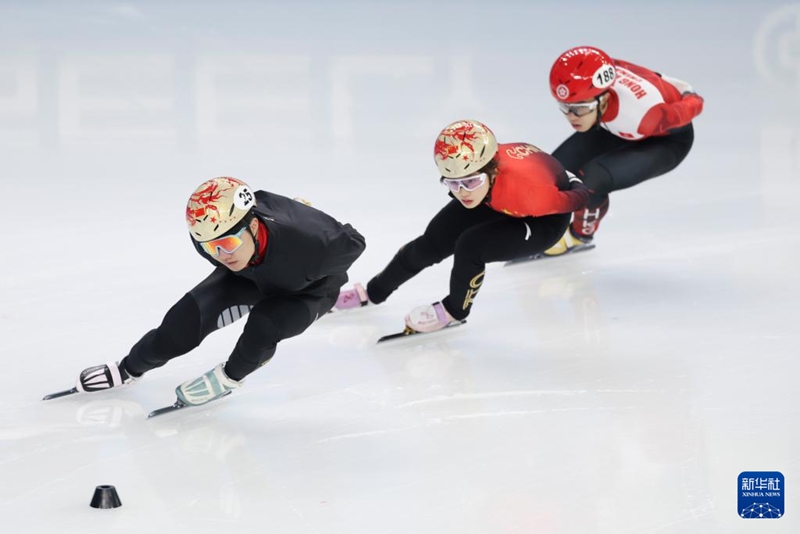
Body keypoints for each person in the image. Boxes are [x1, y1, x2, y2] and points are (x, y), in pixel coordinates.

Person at [74, 177, 366, 406]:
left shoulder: (318, 244)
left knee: (264, 325)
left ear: (252, 225)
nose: (221, 254)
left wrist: (309, 217)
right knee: (181, 324)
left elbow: (355, 241)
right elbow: (220, 248)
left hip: (308, 292)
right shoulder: (212, 239)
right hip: (248, 277)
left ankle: (229, 378)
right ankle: (128, 369)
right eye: (210, 247)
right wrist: (222, 248)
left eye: (227, 244)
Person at [335, 119, 589, 333]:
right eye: (453, 184)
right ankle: (373, 292)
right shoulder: (475, 180)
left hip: (543, 220)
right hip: (494, 199)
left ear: (490, 170)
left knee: (471, 245)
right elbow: (468, 188)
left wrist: (573, 179)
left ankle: (454, 311)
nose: (462, 193)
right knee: (431, 243)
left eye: (469, 182)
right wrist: (470, 184)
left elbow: (581, 197)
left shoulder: (530, 193)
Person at [544, 45, 704, 256]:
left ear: (604, 98)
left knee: (593, 179)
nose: (572, 116)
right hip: (616, 127)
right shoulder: (603, 74)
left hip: (666, 142)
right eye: (565, 106)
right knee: (552, 171)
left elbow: (695, 104)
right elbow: (649, 74)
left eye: (580, 108)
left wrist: (686, 91)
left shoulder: (647, 115)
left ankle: (579, 236)